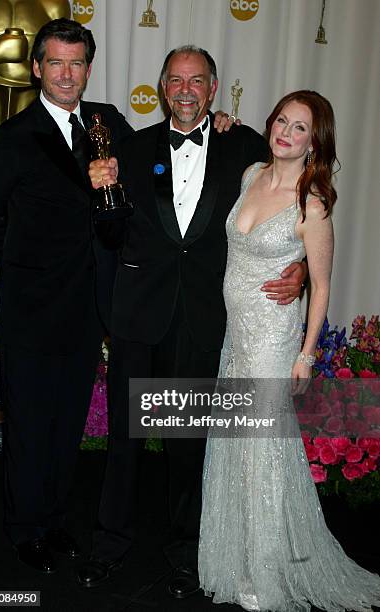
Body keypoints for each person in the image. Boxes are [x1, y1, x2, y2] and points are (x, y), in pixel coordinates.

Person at [78, 46, 306, 598]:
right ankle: (111, 545)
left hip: (205, 316)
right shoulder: (129, 150)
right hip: (139, 312)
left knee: (187, 444)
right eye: (175, 80)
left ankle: (186, 555)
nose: (184, 90)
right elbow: (111, 235)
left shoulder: (247, 146)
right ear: (162, 87)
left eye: (196, 81)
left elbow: (291, 202)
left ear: (212, 88)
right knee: (126, 442)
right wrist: (98, 194)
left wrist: (300, 264)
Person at [198, 90, 380, 610]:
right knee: (236, 445)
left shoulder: (313, 202)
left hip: (273, 342)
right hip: (236, 336)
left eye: (301, 128)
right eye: (282, 120)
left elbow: (320, 286)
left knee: (262, 453)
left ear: (315, 142)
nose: (287, 132)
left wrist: (305, 356)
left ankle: (265, 571)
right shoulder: (249, 173)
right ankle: (238, 559)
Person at [0, 18, 133, 573]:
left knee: (66, 425)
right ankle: (25, 528)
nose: (67, 74)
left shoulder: (107, 122)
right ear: (38, 68)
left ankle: (57, 519)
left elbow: (157, 168)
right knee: (30, 425)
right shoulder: (13, 138)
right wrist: (26, 264)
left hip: (88, 309)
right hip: (33, 311)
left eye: (77, 63)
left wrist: (219, 124)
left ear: (88, 68)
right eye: (56, 63)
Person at [0, 0, 71, 319]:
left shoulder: (54, 5)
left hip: (33, 103)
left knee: (30, 199)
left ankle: (25, 276)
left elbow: (62, 59)